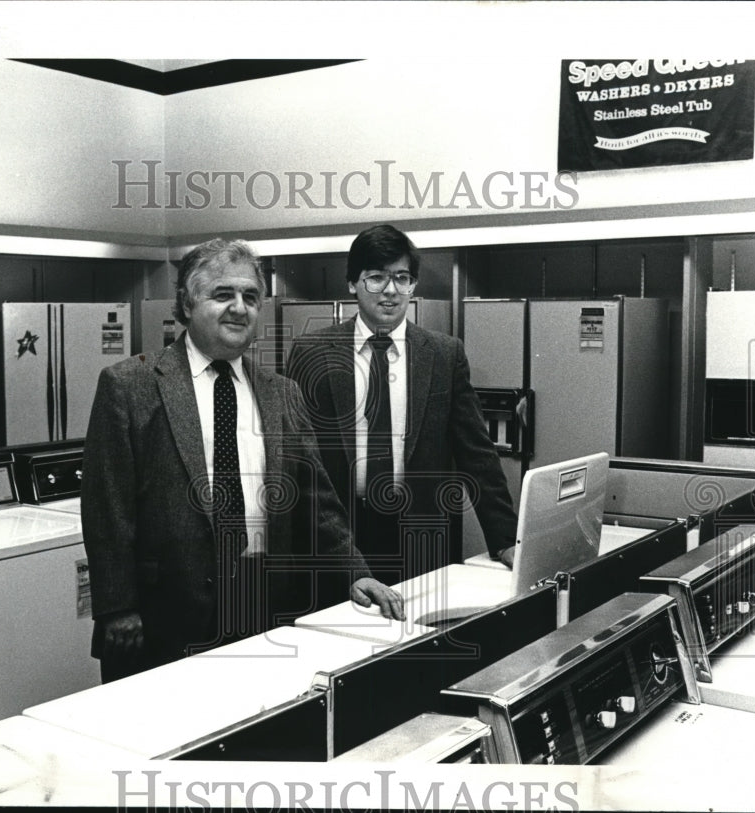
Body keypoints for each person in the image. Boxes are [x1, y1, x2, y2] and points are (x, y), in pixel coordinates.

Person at [82, 238, 404, 683]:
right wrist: (118, 607)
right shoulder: (130, 385)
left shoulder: (281, 391)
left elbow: (318, 500)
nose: (239, 308)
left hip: (262, 606)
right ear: (187, 304)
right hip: (163, 616)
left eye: (250, 297)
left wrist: (355, 572)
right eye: (222, 295)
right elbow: (106, 509)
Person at [286, 224, 517, 586]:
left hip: (420, 538)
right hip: (337, 537)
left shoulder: (443, 354)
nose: (391, 290)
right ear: (352, 283)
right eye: (376, 277)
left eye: (402, 278)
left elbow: (477, 454)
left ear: (413, 285)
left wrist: (505, 541)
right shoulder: (311, 352)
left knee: (419, 637)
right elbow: (297, 461)